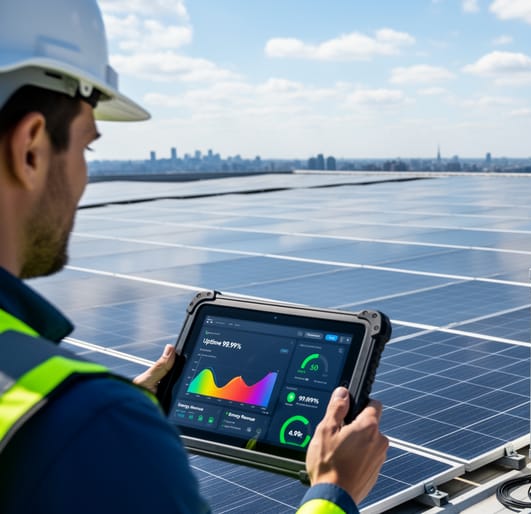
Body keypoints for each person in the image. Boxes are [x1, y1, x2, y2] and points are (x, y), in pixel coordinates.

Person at [0, 0, 388, 512]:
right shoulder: (92, 429)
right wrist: (333, 492)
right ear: (31, 148)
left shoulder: (78, 420)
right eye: (86, 148)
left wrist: (115, 414)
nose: (82, 179)